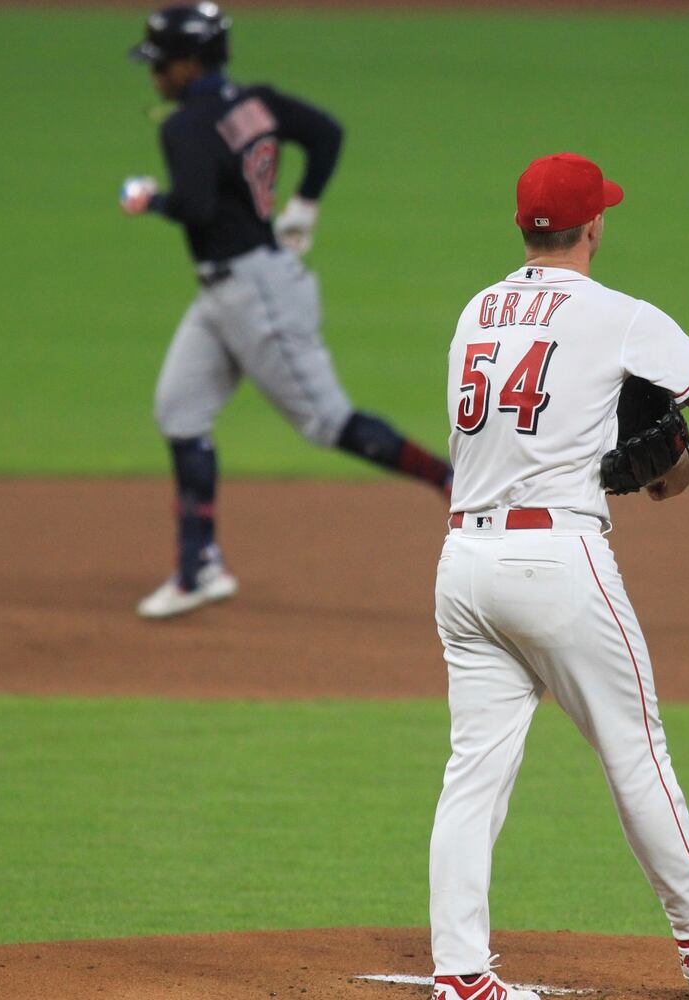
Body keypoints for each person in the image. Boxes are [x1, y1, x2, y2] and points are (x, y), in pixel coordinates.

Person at [429, 153, 689, 999]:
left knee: (473, 771)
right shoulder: (621, 314)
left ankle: (459, 972)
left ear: (524, 226)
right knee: (635, 749)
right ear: (594, 225)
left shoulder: (476, 312)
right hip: (557, 563)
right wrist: (674, 478)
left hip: (462, 564)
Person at [120, 4, 452, 619]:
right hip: (228, 291)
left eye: (161, 63)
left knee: (326, 421)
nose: (156, 75)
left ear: (190, 63)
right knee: (180, 410)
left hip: (257, 293)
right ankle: (199, 569)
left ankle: (449, 479)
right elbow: (326, 132)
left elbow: (193, 205)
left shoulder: (186, 127)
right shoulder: (255, 102)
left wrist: (149, 198)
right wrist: (306, 204)